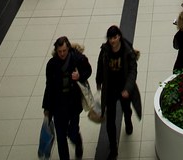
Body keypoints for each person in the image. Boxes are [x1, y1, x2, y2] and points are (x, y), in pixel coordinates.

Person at [42, 35, 92, 160]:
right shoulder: (52, 65)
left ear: (68, 48)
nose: (62, 54)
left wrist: (80, 76)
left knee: (72, 132)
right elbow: (49, 86)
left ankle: (77, 142)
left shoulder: (78, 59)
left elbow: (88, 71)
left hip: (73, 104)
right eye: (59, 51)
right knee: (60, 136)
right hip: (58, 105)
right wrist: (47, 108)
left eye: (64, 51)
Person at [96, 25, 142, 160]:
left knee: (126, 109)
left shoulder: (127, 51)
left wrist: (128, 88)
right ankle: (113, 148)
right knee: (110, 119)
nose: (112, 41)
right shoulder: (104, 51)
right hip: (110, 88)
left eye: (114, 38)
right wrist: (99, 81)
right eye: (110, 38)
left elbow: (133, 71)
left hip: (123, 87)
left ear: (119, 37)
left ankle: (128, 120)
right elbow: (100, 65)